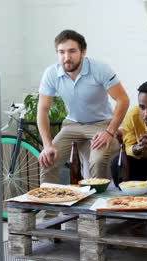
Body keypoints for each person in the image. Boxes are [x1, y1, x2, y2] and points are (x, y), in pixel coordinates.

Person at [37, 29, 130, 185]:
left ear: (83, 52)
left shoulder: (100, 69)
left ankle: (97, 207)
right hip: (72, 124)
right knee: (48, 160)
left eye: (72, 51)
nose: (67, 57)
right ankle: (50, 210)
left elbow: (123, 99)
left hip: (101, 124)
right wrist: (47, 145)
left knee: (98, 161)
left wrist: (109, 131)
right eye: (61, 52)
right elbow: (42, 109)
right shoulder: (51, 73)